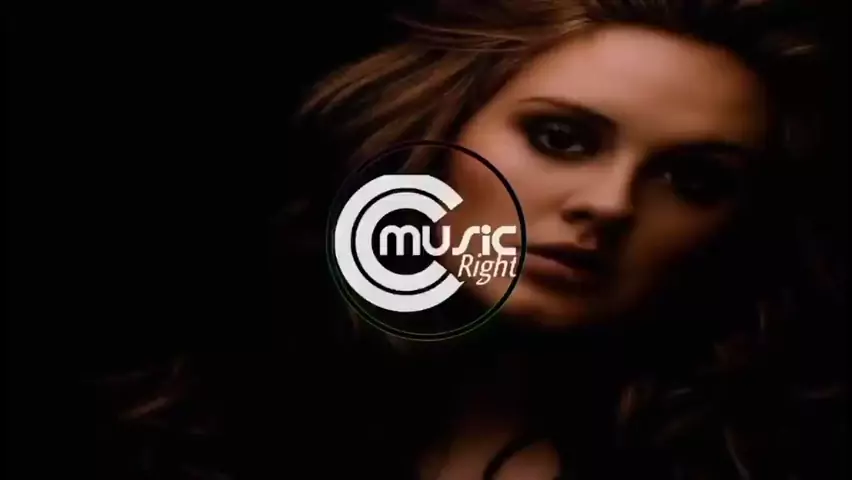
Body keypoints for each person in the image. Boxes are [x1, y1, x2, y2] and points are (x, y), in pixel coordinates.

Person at [96, 1, 847, 479]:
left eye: (695, 180)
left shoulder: (767, 458)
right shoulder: (180, 417)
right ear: (438, 132)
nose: (611, 204)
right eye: (560, 138)